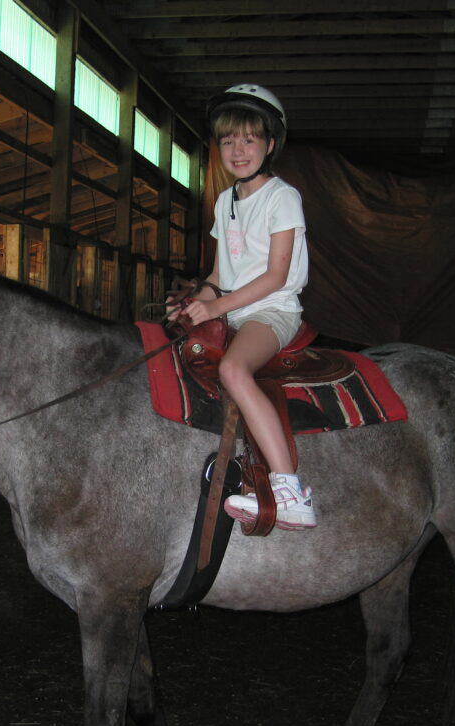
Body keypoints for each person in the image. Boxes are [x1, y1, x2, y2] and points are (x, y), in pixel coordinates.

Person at [170, 84, 315, 531]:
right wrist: (197, 303)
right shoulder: (224, 200)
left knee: (234, 370)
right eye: (228, 139)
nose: (238, 149)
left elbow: (274, 276)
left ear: (271, 144)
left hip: (273, 310)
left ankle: (290, 488)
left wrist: (217, 309)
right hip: (233, 309)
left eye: (249, 138)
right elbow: (218, 276)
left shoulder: (281, 197)